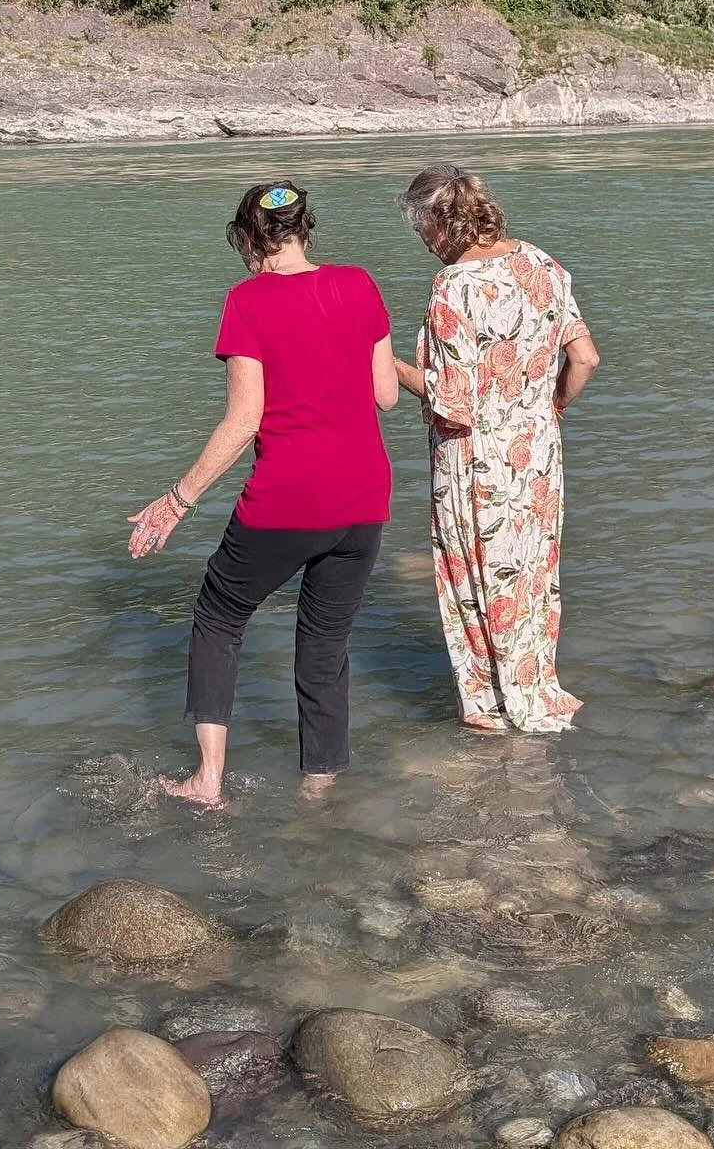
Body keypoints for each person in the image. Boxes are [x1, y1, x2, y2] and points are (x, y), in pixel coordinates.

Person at [129, 181, 398, 807]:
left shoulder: (247, 301)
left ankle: (208, 781)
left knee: (219, 613)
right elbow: (385, 394)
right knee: (326, 640)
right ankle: (320, 788)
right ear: (306, 229)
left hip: (289, 498)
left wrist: (177, 499)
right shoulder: (359, 283)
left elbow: (244, 419)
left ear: (249, 239)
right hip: (364, 499)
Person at [394, 164, 599, 734]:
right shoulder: (540, 263)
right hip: (537, 447)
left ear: (439, 222)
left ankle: (490, 704)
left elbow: (451, 404)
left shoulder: (452, 288)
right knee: (532, 570)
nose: (426, 246)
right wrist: (550, 406)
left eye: (422, 234)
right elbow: (585, 360)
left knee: (474, 574)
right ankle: (536, 685)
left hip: (473, 458)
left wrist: (386, 365)